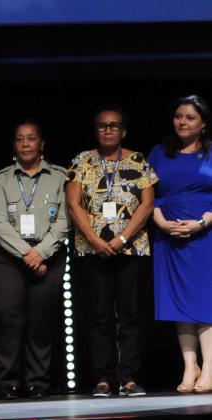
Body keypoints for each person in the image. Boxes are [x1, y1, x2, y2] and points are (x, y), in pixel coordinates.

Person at [66, 105, 157, 398]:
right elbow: (73, 204)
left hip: (130, 249)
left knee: (130, 316)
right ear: (96, 130)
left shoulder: (138, 160)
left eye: (114, 126)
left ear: (124, 131)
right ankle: (102, 379)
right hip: (92, 249)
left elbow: (147, 204)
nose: (108, 130)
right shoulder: (82, 161)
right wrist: (94, 239)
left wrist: (121, 238)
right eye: (103, 126)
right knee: (99, 316)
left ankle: (129, 378)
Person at [0, 120, 70, 399]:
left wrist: (41, 252)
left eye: (31, 139)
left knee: (40, 322)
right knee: (7, 319)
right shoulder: (2, 179)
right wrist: (27, 253)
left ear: (41, 143)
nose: (25, 144)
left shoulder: (60, 177)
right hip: (8, 257)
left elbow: (66, 221)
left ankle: (38, 383)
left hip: (48, 255)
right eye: (19, 139)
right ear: (13, 145)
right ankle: (7, 383)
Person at [148, 95, 212, 393]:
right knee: (178, 305)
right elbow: (149, 196)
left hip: (205, 236)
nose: (182, 122)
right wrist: (159, 221)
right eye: (178, 116)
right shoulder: (160, 154)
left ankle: (209, 369)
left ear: (203, 124)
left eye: (189, 117)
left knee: (204, 302)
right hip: (168, 237)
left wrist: (203, 222)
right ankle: (190, 368)